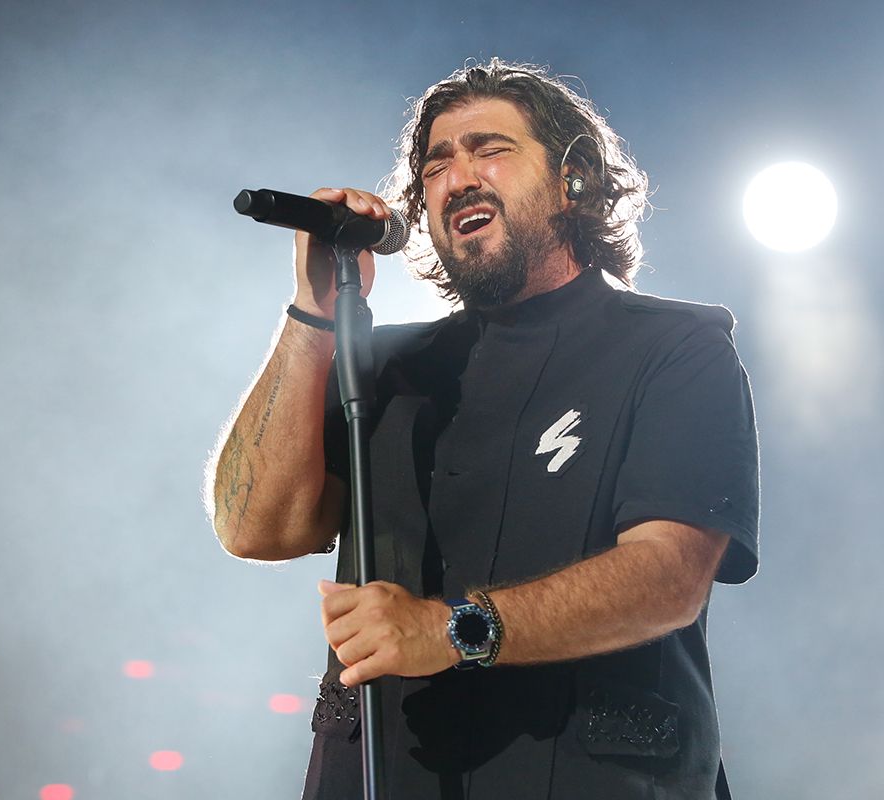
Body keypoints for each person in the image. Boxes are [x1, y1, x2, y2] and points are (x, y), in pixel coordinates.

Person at [207, 59, 760, 800]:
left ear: (576, 180)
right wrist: (311, 316)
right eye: (436, 165)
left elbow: (669, 579)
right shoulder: (385, 367)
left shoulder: (673, 349)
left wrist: (449, 631)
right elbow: (254, 528)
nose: (458, 177)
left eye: (489, 149)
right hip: (386, 774)